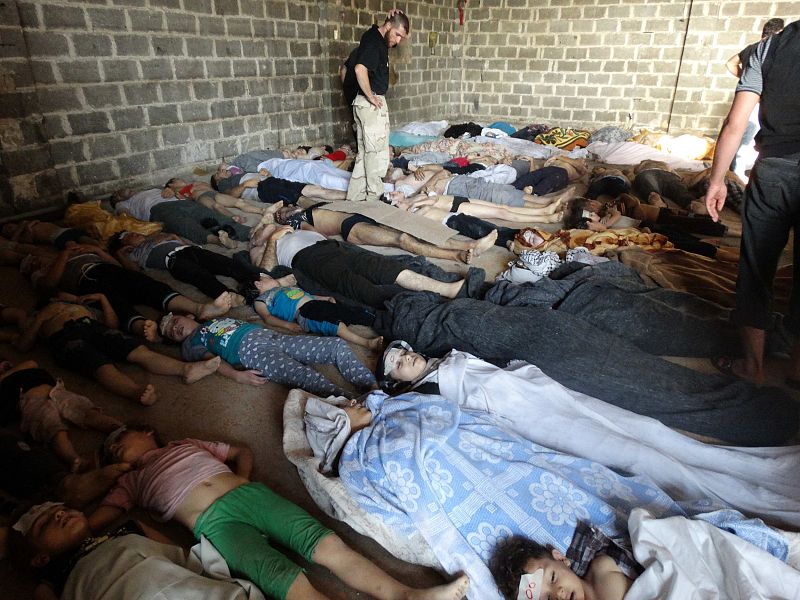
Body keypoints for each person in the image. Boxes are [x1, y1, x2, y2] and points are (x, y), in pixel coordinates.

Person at [89, 424, 470, 600]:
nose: (116, 445)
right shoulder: (131, 482)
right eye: (111, 449)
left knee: (328, 547)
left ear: (150, 434)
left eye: (121, 436)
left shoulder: (183, 442)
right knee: (284, 581)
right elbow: (100, 519)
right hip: (213, 527)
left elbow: (240, 451)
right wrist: (107, 473)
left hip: (248, 496)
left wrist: (241, 480)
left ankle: (406, 595)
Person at [705, 20, 800, 386]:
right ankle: (795, 368)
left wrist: (717, 180)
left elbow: (734, 124)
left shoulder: (769, 48)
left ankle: (752, 366)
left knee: (757, 265)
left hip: (775, 170)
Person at [15, 294, 221, 405]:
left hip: (92, 326)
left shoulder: (81, 307)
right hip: (63, 338)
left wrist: (101, 299)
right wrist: (42, 317)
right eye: (58, 299)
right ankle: (134, 392)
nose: (62, 302)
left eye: (64, 298)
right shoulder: (37, 317)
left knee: (138, 351)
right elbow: (23, 346)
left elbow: (112, 325)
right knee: (100, 366)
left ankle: (186, 369)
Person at [28, 244, 234, 341]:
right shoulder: (43, 272)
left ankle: (200, 308)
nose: (38, 260)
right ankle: (142, 327)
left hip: (107, 269)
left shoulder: (82, 255)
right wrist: (63, 256)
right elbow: (48, 287)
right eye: (33, 261)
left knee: (146, 284)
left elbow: (120, 266)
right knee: (112, 301)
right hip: (87, 282)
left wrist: (99, 252)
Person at [159, 312, 377, 398]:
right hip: (251, 353)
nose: (176, 329)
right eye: (171, 333)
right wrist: (237, 376)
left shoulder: (211, 320)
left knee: (335, 346)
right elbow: (211, 362)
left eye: (176, 323)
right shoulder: (192, 342)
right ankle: (355, 403)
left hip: (272, 336)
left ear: (188, 316)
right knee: (305, 376)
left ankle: (373, 388)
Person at [255, 224, 472, 309]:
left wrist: (302, 227)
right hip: (309, 259)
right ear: (255, 237)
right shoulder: (259, 248)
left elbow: (319, 232)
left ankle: (445, 290)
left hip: (333, 247)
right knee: (356, 286)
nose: (270, 225)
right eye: (263, 227)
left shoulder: (291, 230)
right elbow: (267, 271)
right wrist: (272, 238)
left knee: (382, 267)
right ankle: (422, 305)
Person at [270, 202, 497, 264]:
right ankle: (457, 254)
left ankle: (467, 245)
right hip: (352, 229)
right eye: (279, 215)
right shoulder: (299, 220)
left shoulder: (308, 206)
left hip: (357, 216)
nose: (281, 214)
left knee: (409, 229)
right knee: (402, 239)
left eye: (282, 211)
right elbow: (319, 237)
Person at [0, 358, 122, 471]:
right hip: (32, 403)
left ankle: (122, 429)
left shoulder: (20, 369)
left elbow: (32, 363)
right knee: (53, 429)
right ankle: (75, 460)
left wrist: (5, 375)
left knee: (85, 411)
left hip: (56, 391)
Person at [345, 11, 410, 202]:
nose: (398, 41)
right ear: (388, 26)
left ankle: (355, 199)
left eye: (402, 37)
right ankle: (374, 200)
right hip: (370, 104)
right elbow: (359, 69)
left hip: (362, 103)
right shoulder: (374, 41)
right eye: (398, 34)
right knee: (377, 155)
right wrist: (370, 96)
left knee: (365, 154)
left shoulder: (375, 38)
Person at [109, 230, 264, 305]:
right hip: (173, 261)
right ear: (125, 245)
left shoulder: (155, 237)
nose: (134, 234)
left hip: (189, 250)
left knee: (226, 263)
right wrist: (120, 254)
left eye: (133, 232)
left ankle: (257, 281)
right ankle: (230, 296)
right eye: (128, 236)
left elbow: (184, 243)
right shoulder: (134, 254)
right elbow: (134, 272)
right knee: (199, 276)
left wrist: (174, 237)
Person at [240, 274, 382, 351]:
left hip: (315, 303)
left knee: (349, 312)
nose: (272, 278)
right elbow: (267, 318)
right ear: (258, 284)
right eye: (268, 278)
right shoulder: (261, 300)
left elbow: (307, 295)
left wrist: (325, 298)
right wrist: (288, 326)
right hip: (305, 312)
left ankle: (378, 320)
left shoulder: (283, 289)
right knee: (335, 324)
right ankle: (366, 343)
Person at [489, 536, 631, 600]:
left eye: (552, 577)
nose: (559, 594)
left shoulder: (602, 571)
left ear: (560, 558)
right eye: (548, 599)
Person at [111, 186, 248, 249]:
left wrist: (171, 191)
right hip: (159, 210)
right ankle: (217, 240)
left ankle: (246, 232)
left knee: (208, 215)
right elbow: (125, 217)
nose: (118, 191)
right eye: (116, 194)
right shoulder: (123, 203)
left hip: (180, 202)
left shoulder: (150, 189)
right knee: (183, 224)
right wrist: (145, 224)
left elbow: (175, 190)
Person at [1, 220, 97, 250]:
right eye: (7, 231)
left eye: (9, 226)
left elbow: (35, 221)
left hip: (64, 230)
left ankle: (102, 249)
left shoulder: (26, 223)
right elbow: (29, 241)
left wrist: (25, 226)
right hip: (57, 237)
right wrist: (24, 228)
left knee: (84, 239)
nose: (9, 229)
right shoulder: (22, 235)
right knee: (73, 246)